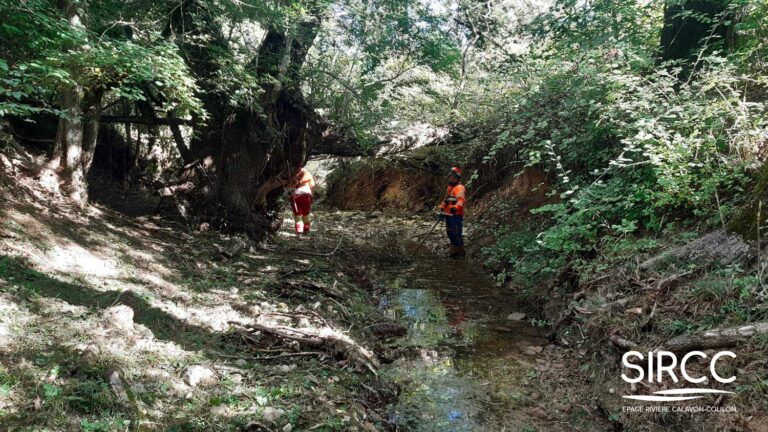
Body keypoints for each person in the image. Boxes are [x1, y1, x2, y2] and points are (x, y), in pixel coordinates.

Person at [438, 166, 466, 258]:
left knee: (456, 233)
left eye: (453, 177)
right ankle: (454, 249)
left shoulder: (459, 187)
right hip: (448, 214)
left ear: (457, 178)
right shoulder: (450, 187)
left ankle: (460, 252)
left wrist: (455, 208)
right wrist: (441, 208)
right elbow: (446, 200)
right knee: (449, 232)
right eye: (450, 177)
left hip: (456, 215)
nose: (451, 178)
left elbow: (461, 200)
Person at [289, 166, 315, 234]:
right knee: (306, 214)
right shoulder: (308, 174)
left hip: (295, 196)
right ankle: (306, 230)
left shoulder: (293, 173)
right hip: (306, 196)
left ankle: (299, 231)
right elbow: (312, 185)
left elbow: (289, 186)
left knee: (297, 215)